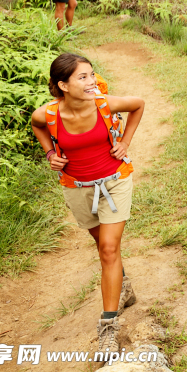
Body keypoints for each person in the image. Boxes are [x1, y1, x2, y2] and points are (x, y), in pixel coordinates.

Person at [31, 54, 145, 353]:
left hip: (114, 182)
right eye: (82, 77)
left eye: (92, 75)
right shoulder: (49, 115)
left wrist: (125, 142)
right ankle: (124, 286)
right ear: (62, 86)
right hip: (77, 188)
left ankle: (108, 326)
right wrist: (49, 154)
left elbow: (138, 104)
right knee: (102, 245)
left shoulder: (104, 104)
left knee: (108, 249)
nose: (92, 81)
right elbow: (37, 125)